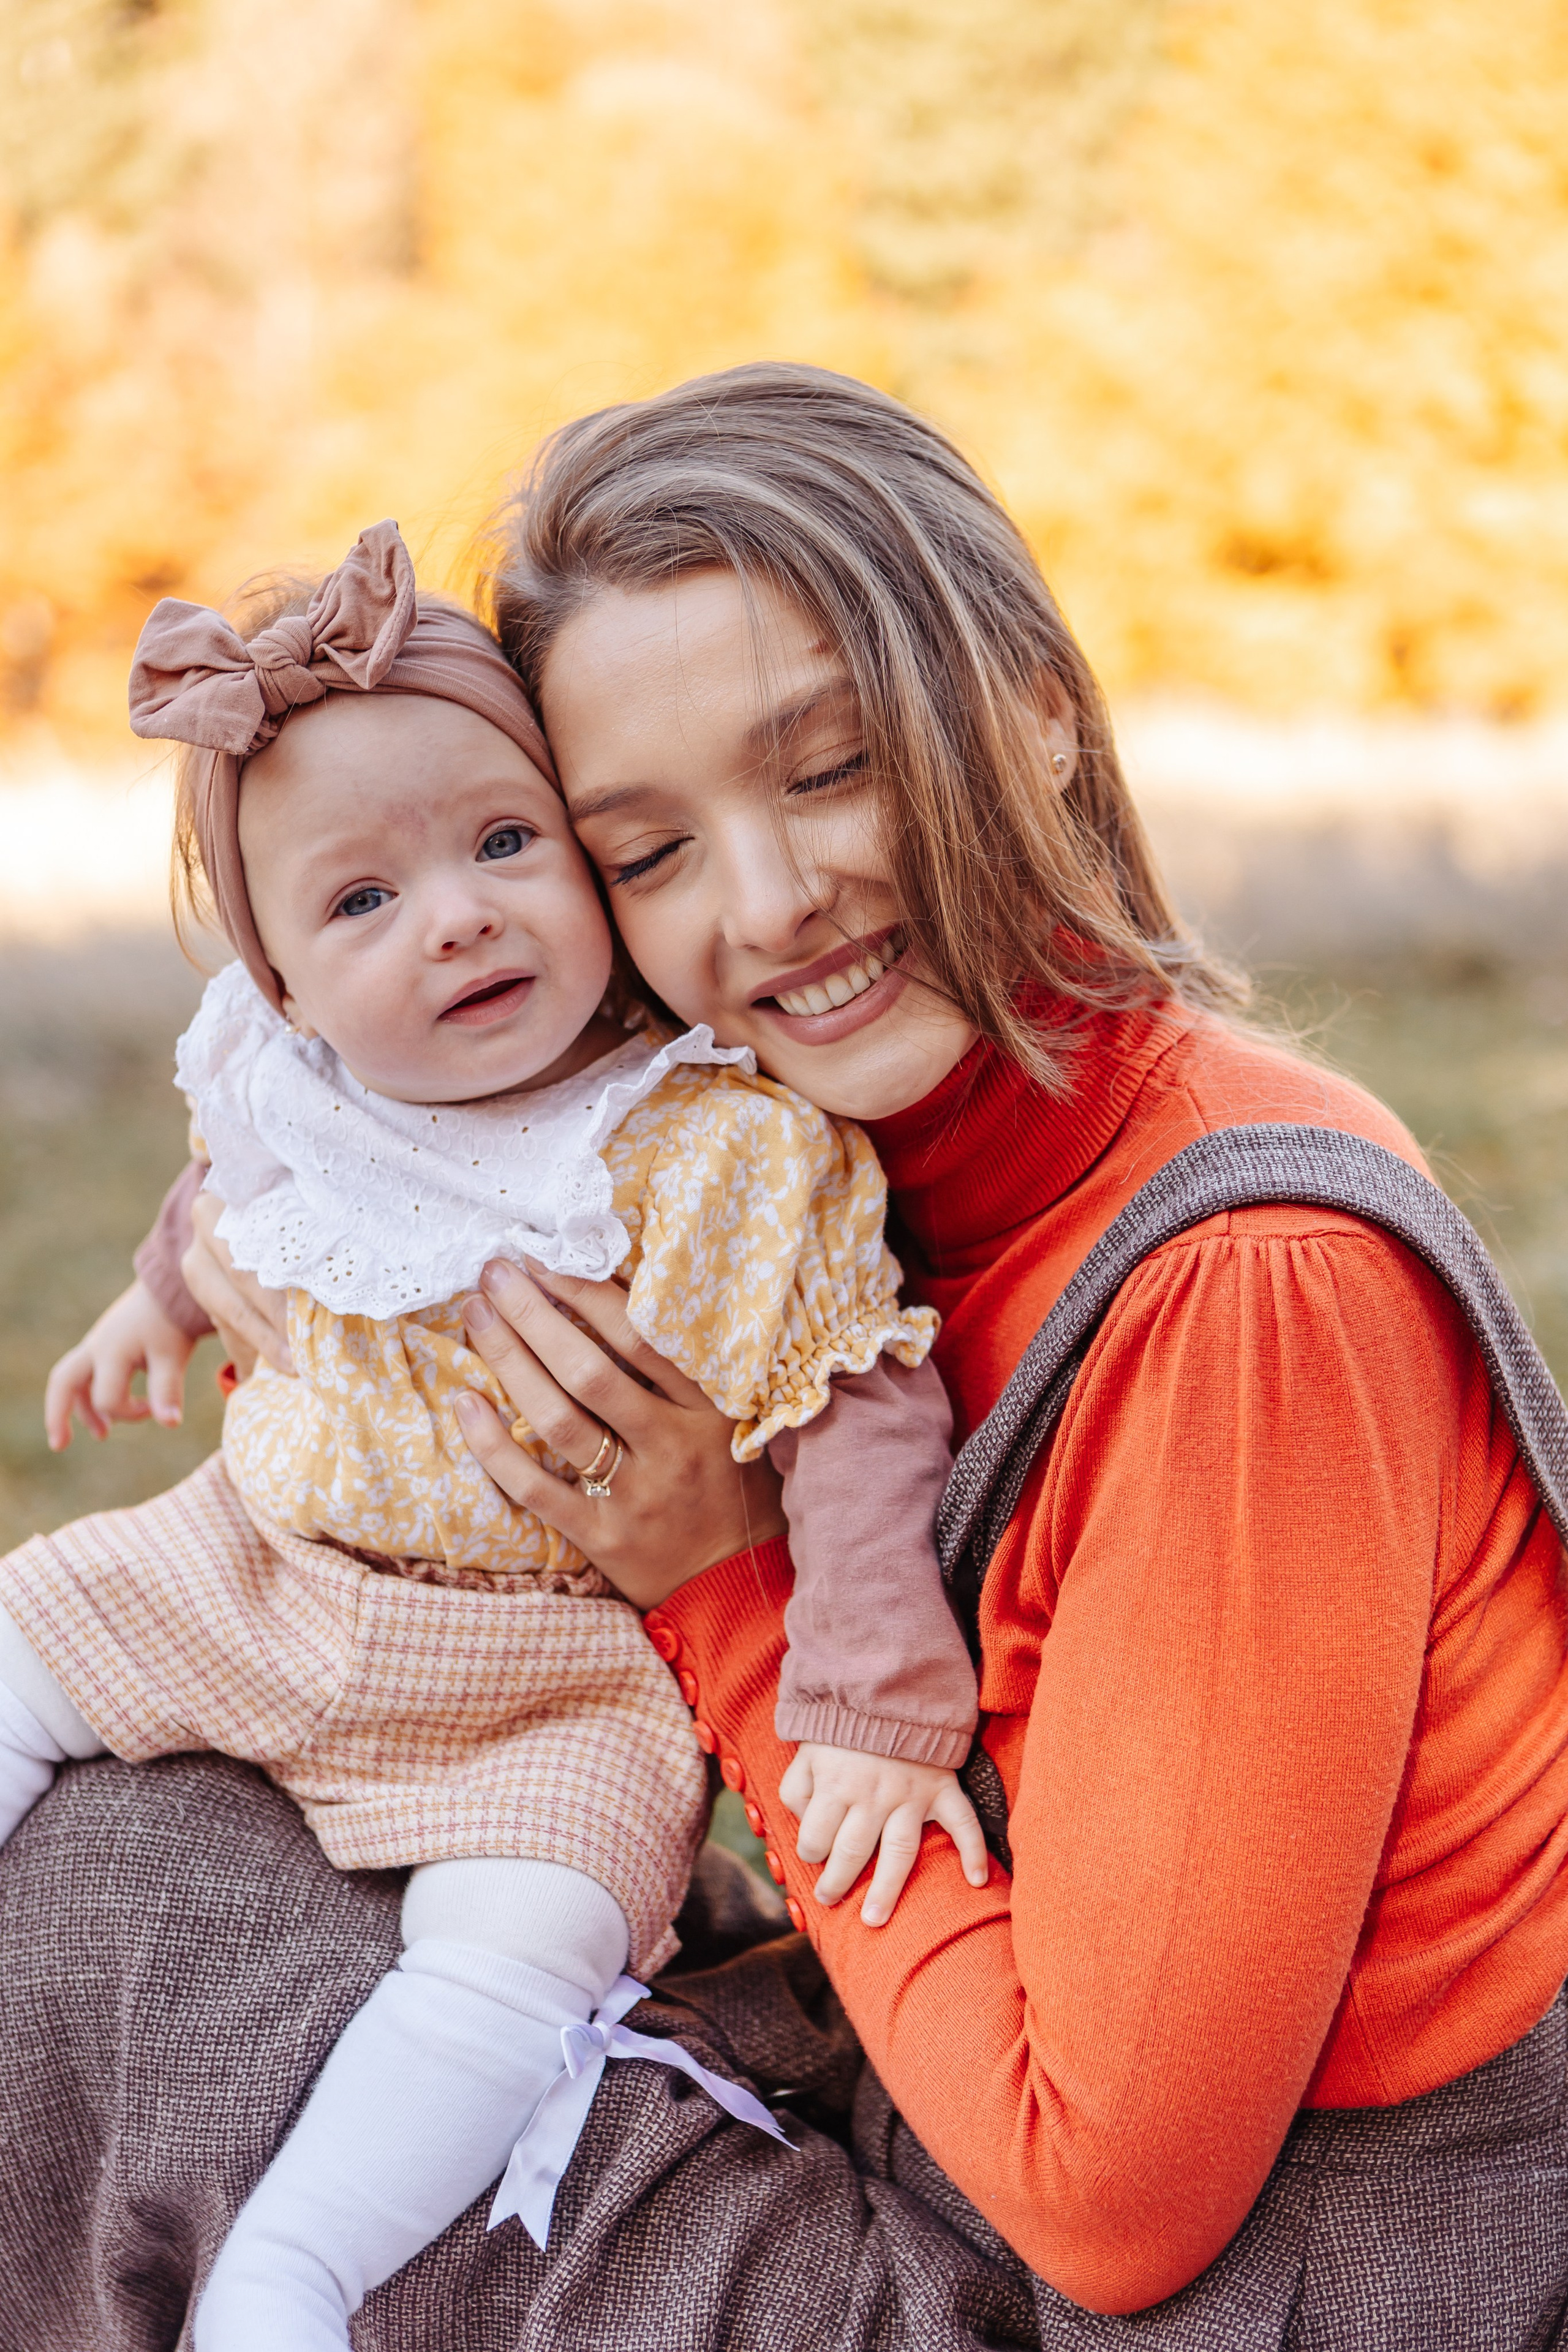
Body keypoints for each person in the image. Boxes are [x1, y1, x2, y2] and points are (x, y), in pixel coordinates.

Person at [6, 362, 1568, 2346]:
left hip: (1248, 2294)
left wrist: (723, 1583)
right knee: (148, 1822)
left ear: (1038, 718)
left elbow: (1112, 2210)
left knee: (129, 1953)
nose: (764, 908)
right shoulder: (814, 1175)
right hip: (960, 2129)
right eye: (646, 852)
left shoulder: (1245, 1288)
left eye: (827, 770)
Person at [2, 516, 986, 2351]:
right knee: (13, 1643)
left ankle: (289, 2277)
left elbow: (857, 1401)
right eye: (359, 901)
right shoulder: (299, 1082)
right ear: (283, 983)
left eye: (506, 843)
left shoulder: (716, 1147)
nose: (454, 913)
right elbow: (234, 1184)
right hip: (249, 1567)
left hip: (554, 1672)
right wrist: (161, 1294)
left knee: (517, 1961)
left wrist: (872, 1691)